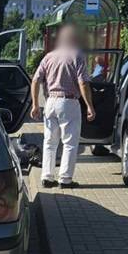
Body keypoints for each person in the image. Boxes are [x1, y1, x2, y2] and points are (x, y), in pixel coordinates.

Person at [29, 23, 95, 189]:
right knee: (70, 142)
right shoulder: (77, 56)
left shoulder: (49, 57)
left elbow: (35, 80)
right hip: (69, 102)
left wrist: (36, 104)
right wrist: (89, 106)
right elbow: (83, 83)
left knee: (50, 142)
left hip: (50, 102)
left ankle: (47, 177)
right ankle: (65, 179)